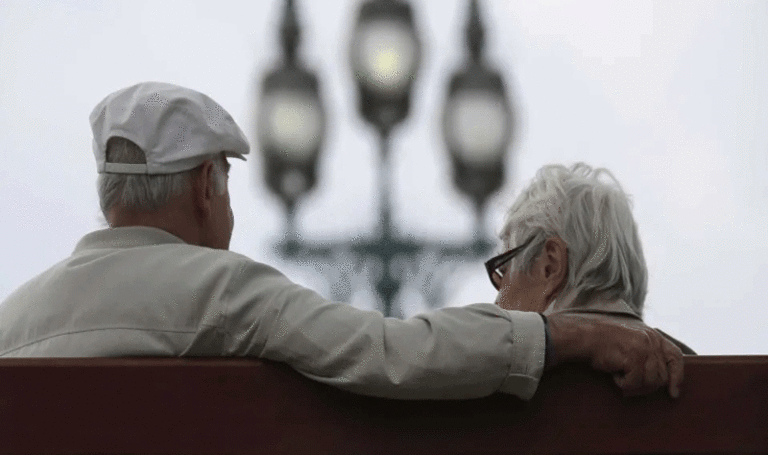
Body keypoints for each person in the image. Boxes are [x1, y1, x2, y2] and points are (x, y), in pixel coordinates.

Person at [0, 82, 683, 401]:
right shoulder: (222, 291)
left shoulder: (13, 322)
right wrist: (573, 337)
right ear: (207, 186)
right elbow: (393, 357)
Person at [489, 163, 695, 361]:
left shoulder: (502, 382)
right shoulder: (699, 375)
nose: (497, 302)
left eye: (505, 270)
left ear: (550, 266)